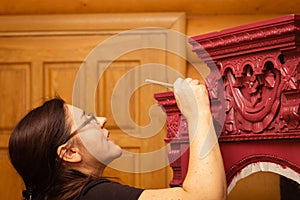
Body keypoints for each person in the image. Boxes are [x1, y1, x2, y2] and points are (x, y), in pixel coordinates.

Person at [9, 78, 227, 200]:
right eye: (89, 119)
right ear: (70, 153)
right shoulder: (93, 196)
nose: (102, 120)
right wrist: (198, 112)